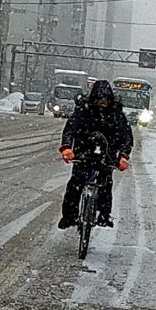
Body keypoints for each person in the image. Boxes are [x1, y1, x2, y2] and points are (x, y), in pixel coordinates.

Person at [58, 79, 133, 229]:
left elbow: (127, 137)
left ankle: (104, 216)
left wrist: (123, 156)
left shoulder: (116, 114)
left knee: (106, 186)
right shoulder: (83, 111)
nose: (102, 102)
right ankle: (69, 217)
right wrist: (66, 148)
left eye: (105, 99)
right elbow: (70, 129)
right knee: (75, 185)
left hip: (106, 157)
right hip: (83, 154)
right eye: (99, 98)